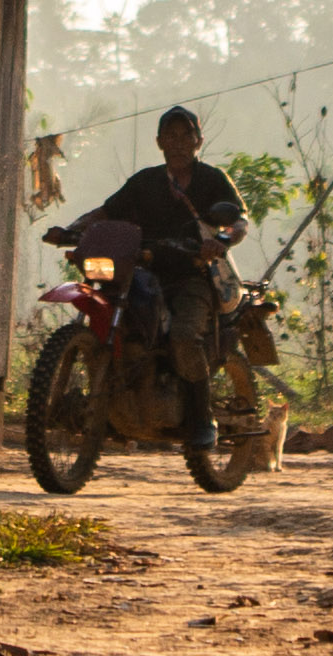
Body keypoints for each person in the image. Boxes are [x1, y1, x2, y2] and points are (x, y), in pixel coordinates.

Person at [85, 106, 249, 460]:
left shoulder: (212, 179)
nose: (178, 143)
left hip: (193, 276)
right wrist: (71, 229)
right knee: (120, 324)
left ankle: (203, 419)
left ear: (198, 141)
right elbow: (107, 211)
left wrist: (222, 240)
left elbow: (239, 220)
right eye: (170, 136)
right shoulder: (144, 182)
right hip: (144, 273)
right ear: (159, 141)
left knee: (184, 337)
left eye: (185, 136)